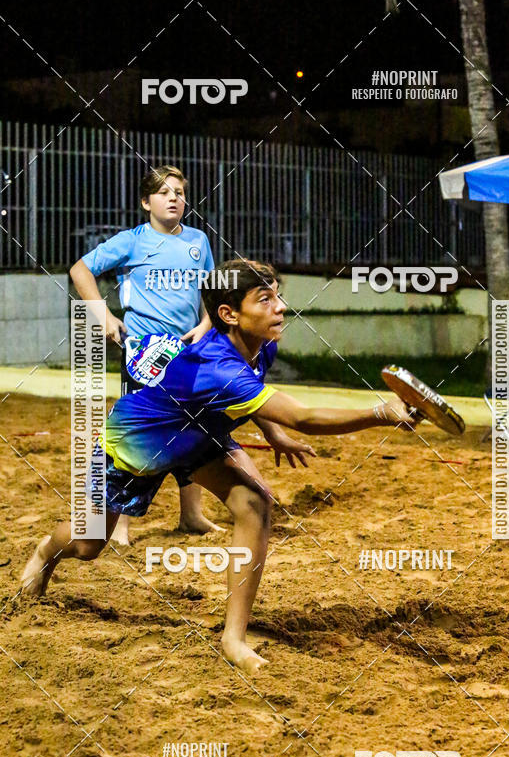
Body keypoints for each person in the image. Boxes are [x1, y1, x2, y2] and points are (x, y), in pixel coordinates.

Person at [22, 259, 420, 674]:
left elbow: (254, 393)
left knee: (254, 504)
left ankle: (233, 638)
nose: (281, 307)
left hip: (200, 436)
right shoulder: (217, 368)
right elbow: (302, 417)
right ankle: (46, 551)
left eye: (279, 295)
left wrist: (271, 433)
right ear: (229, 314)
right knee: (89, 545)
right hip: (139, 445)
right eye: (265, 299)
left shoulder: (261, 343)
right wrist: (380, 413)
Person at [70, 164, 218, 546]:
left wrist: (205, 325)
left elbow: (212, 293)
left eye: (180, 192)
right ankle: (120, 524)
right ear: (145, 201)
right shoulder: (131, 241)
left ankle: (192, 515)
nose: (174, 198)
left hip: (188, 353)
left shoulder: (199, 240)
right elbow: (80, 269)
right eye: (165, 192)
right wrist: (101, 312)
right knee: (139, 436)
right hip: (144, 354)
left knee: (194, 430)